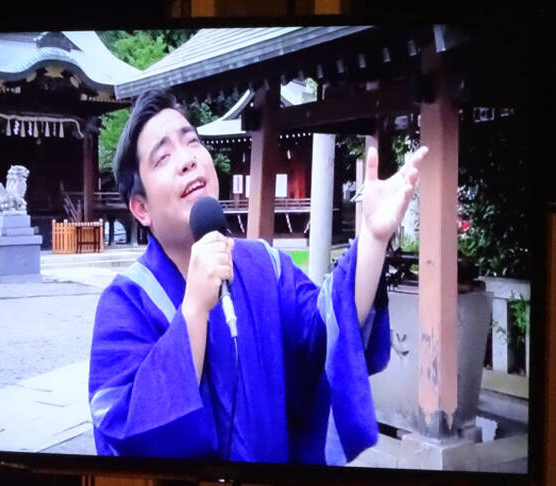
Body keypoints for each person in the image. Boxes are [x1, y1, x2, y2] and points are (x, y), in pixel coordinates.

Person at [88, 90, 428, 464]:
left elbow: (328, 325)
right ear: (141, 209)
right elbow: (121, 428)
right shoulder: (127, 302)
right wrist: (194, 311)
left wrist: (374, 239)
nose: (187, 160)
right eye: (164, 157)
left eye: (192, 142)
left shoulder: (264, 265)